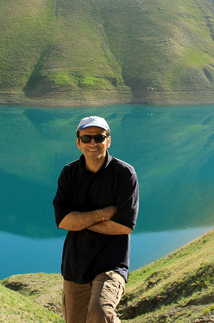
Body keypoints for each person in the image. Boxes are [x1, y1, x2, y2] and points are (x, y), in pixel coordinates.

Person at [53, 115, 139, 322]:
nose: (93, 143)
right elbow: (63, 221)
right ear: (78, 142)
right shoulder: (69, 173)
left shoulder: (124, 174)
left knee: (100, 312)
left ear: (108, 140)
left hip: (111, 264)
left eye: (99, 137)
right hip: (75, 266)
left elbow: (124, 226)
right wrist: (102, 214)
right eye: (86, 138)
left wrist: (80, 222)